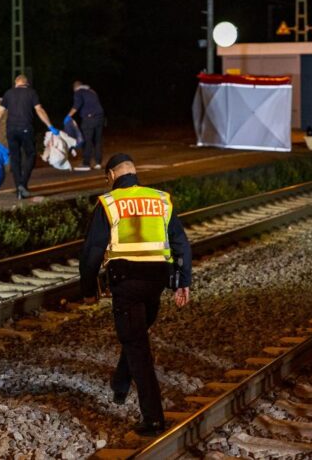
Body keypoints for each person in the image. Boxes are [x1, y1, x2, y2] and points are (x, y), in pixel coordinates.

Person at [79, 153, 192, 436]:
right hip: (156, 281)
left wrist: (87, 290)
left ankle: (154, 419)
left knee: (137, 347)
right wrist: (184, 282)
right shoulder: (161, 199)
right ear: (134, 172)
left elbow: (92, 251)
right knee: (136, 335)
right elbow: (181, 243)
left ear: (111, 176)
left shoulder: (109, 202)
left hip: (126, 283)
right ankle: (119, 384)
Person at [0, 75, 58, 199]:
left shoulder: (8, 93)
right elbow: (39, 110)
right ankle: (23, 183)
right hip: (26, 128)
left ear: (16, 83)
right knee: (30, 155)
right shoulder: (32, 93)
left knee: (15, 158)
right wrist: (50, 126)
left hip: (11, 130)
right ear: (27, 83)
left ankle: (19, 189)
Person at [65, 80, 105, 171]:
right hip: (100, 117)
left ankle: (86, 163)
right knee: (97, 140)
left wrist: (68, 116)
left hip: (89, 118)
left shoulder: (78, 92)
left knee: (87, 140)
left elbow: (76, 106)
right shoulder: (92, 91)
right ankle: (98, 162)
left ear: (75, 88)